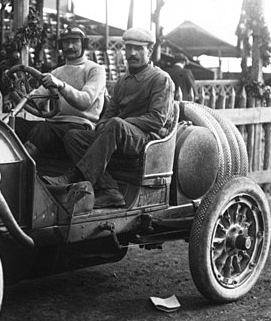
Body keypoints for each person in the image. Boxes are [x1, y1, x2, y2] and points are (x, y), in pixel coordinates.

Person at [43, 27, 175, 209]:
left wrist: (118, 124)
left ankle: (74, 175)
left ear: (149, 51)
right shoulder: (123, 81)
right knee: (73, 136)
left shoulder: (160, 79)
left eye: (138, 49)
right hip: (118, 134)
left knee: (115, 124)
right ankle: (110, 190)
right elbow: (110, 113)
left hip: (145, 139)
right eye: (128, 48)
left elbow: (156, 120)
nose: (132, 53)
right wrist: (104, 125)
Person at [14, 26, 106, 160]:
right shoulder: (57, 72)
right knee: (15, 125)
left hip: (80, 127)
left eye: (74, 41)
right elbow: (35, 100)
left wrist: (61, 85)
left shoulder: (95, 70)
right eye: (65, 42)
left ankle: (22, 169)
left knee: (44, 129)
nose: (69, 46)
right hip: (55, 125)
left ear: (84, 44)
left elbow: (85, 102)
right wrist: (15, 91)